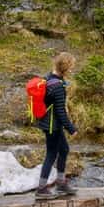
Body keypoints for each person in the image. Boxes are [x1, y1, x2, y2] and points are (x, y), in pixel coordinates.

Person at [35, 52, 79, 199]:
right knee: (51, 154)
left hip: (48, 123)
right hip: (53, 126)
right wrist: (71, 128)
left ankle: (60, 183)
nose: (72, 70)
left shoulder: (48, 78)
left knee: (64, 149)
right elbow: (60, 111)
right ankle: (41, 189)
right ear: (65, 68)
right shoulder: (58, 87)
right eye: (71, 67)